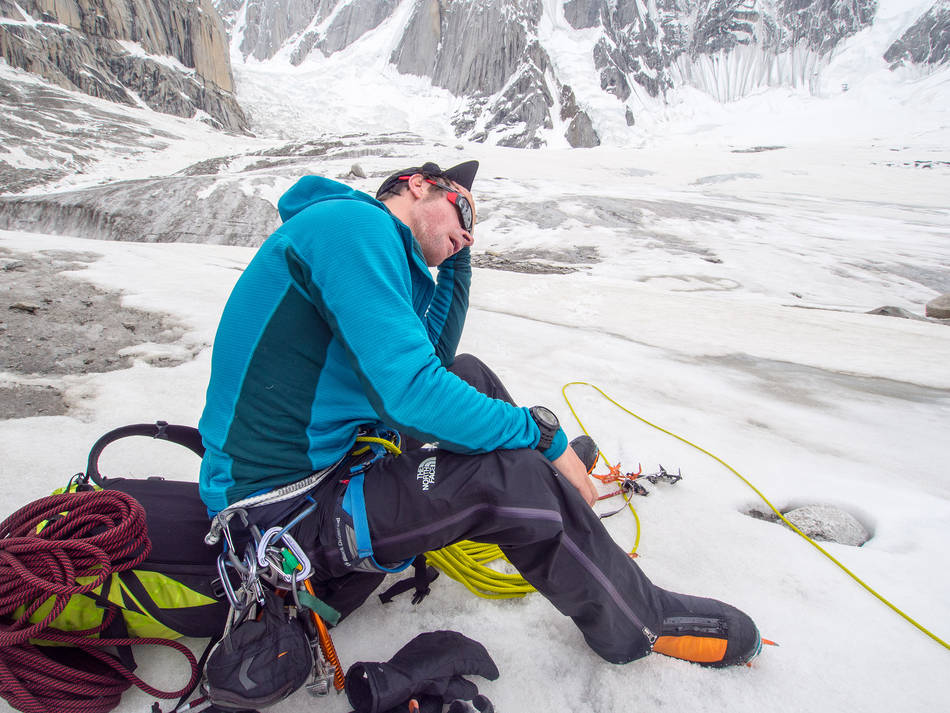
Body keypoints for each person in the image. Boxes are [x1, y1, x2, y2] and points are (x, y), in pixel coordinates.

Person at [198, 160, 761, 667]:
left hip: (330, 465)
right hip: (284, 514)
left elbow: (437, 362)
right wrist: (538, 435)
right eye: (462, 209)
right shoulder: (353, 226)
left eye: (473, 227)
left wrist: (457, 264)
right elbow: (414, 396)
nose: (466, 230)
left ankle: (549, 491)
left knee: (472, 376)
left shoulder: (373, 246)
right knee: (508, 474)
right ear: (418, 186)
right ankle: (639, 622)